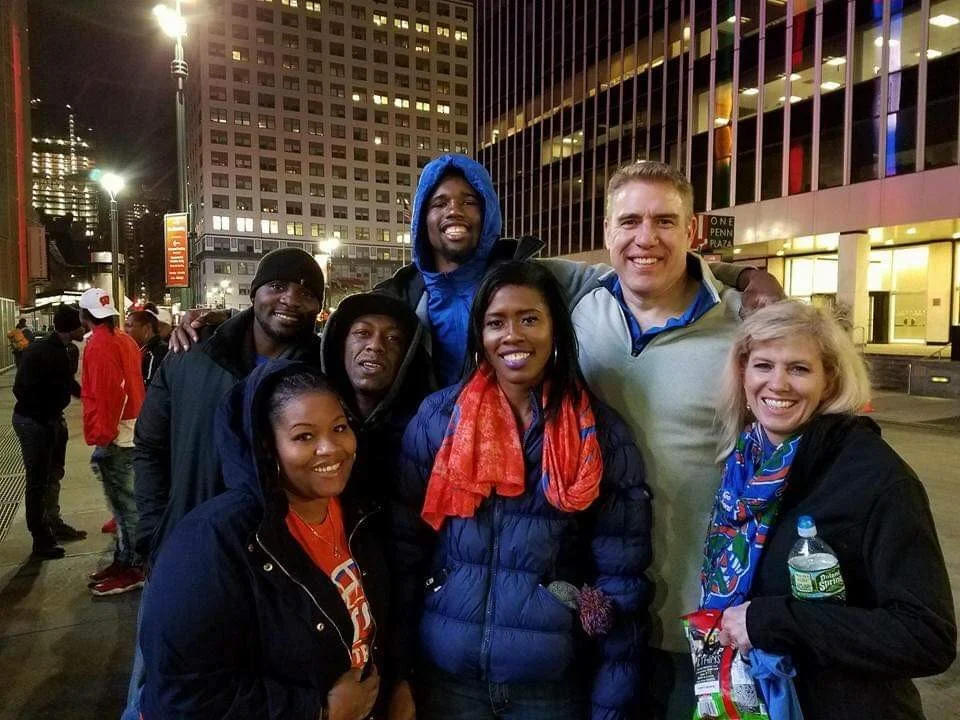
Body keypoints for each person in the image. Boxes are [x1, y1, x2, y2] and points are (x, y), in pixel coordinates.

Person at [170, 155, 781, 385]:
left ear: (488, 212)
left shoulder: (534, 275)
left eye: (469, 201)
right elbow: (334, 348)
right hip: (424, 451)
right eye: (439, 203)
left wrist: (745, 277)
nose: (454, 213)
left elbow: (636, 271)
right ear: (421, 220)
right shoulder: (398, 293)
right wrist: (223, 328)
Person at [563, 161, 780, 718]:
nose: (645, 238)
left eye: (665, 221)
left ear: (693, 231)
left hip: (711, 616)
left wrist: (751, 277)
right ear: (607, 232)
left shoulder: (745, 327)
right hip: (602, 609)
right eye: (629, 221)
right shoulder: (579, 311)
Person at [392, 261, 652, 719]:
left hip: (549, 687)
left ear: (555, 328)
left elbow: (622, 579)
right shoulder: (438, 420)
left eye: (529, 319)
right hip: (449, 679)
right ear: (480, 335)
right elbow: (404, 551)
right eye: (496, 322)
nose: (512, 335)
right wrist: (398, 671)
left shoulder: (599, 433)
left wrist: (612, 703)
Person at [699, 300, 955, 718]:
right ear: (743, 373)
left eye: (799, 369)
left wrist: (774, 621)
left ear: (829, 381)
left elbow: (926, 636)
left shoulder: (876, 478)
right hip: (751, 701)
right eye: (763, 365)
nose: (778, 384)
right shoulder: (744, 464)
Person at [125, 248, 324, 720]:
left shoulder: (320, 373)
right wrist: (154, 532)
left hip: (270, 574)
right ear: (254, 293)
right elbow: (150, 448)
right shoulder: (191, 355)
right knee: (155, 693)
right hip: (179, 555)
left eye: (306, 292)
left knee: (240, 695)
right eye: (277, 286)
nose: (290, 299)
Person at [139, 361, 389, 719]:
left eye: (339, 428)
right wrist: (318, 711)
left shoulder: (360, 515)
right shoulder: (213, 540)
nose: (330, 448)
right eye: (304, 436)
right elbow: (184, 694)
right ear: (267, 446)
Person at [320, 291, 430, 512]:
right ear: (340, 345)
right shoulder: (310, 420)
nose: (376, 346)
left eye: (393, 339)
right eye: (362, 333)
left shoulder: (425, 434)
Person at [78, 288, 146, 596]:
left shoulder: (99, 345)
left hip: (117, 435)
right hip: (129, 431)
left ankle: (134, 566)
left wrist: (102, 438)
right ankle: (125, 560)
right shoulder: (124, 340)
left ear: (84, 316)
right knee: (125, 506)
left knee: (125, 507)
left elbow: (109, 395)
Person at [12, 304, 87, 559]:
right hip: (34, 422)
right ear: (70, 328)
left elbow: (68, 384)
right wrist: (45, 415)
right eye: (81, 324)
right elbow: (20, 390)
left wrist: (90, 397)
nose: (85, 327)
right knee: (37, 482)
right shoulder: (40, 351)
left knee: (54, 474)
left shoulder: (68, 350)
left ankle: (53, 524)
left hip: (52, 420)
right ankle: (41, 540)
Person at [124, 310, 167, 386]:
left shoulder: (156, 352)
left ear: (146, 328)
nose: (125, 331)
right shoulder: (145, 350)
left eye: (130, 326)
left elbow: (149, 385)